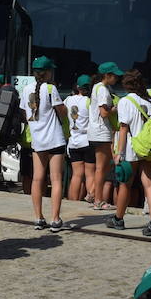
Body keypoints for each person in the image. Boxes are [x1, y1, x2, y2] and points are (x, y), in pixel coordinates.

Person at [108, 69, 151, 237]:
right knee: (149, 183)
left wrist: (119, 152)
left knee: (126, 184)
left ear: (126, 84)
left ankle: (118, 219)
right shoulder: (150, 102)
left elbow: (123, 128)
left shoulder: (125, 101)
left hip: (131, 147)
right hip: (148, 147)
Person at [21, 56, 68, 231]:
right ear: (48, 72)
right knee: (56, 179)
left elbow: (24, 112)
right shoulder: (50, 88)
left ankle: (38, 218)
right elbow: (62, 112)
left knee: (37, 178)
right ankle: (55, 219)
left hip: (37, 140)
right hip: (54, 138)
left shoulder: (26, 89)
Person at [89, 63, 123, 210]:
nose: (116, 78)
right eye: (114, 75)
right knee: (101, 168)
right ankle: (98, 200)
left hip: (96, 131)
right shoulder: (103, 89)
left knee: (103, 166)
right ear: (107, 75)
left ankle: (92, 194)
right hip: (101, 132)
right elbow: (104, 113)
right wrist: (116, 108)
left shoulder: (97, 87)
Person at [65, 75, 94, 204]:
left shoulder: (68, 100)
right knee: (90, 174)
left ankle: (72, 202)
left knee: (76, 175)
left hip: (73, 141)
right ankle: (91, 198)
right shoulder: (89, 101)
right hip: (87, 140)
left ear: (78, 87)